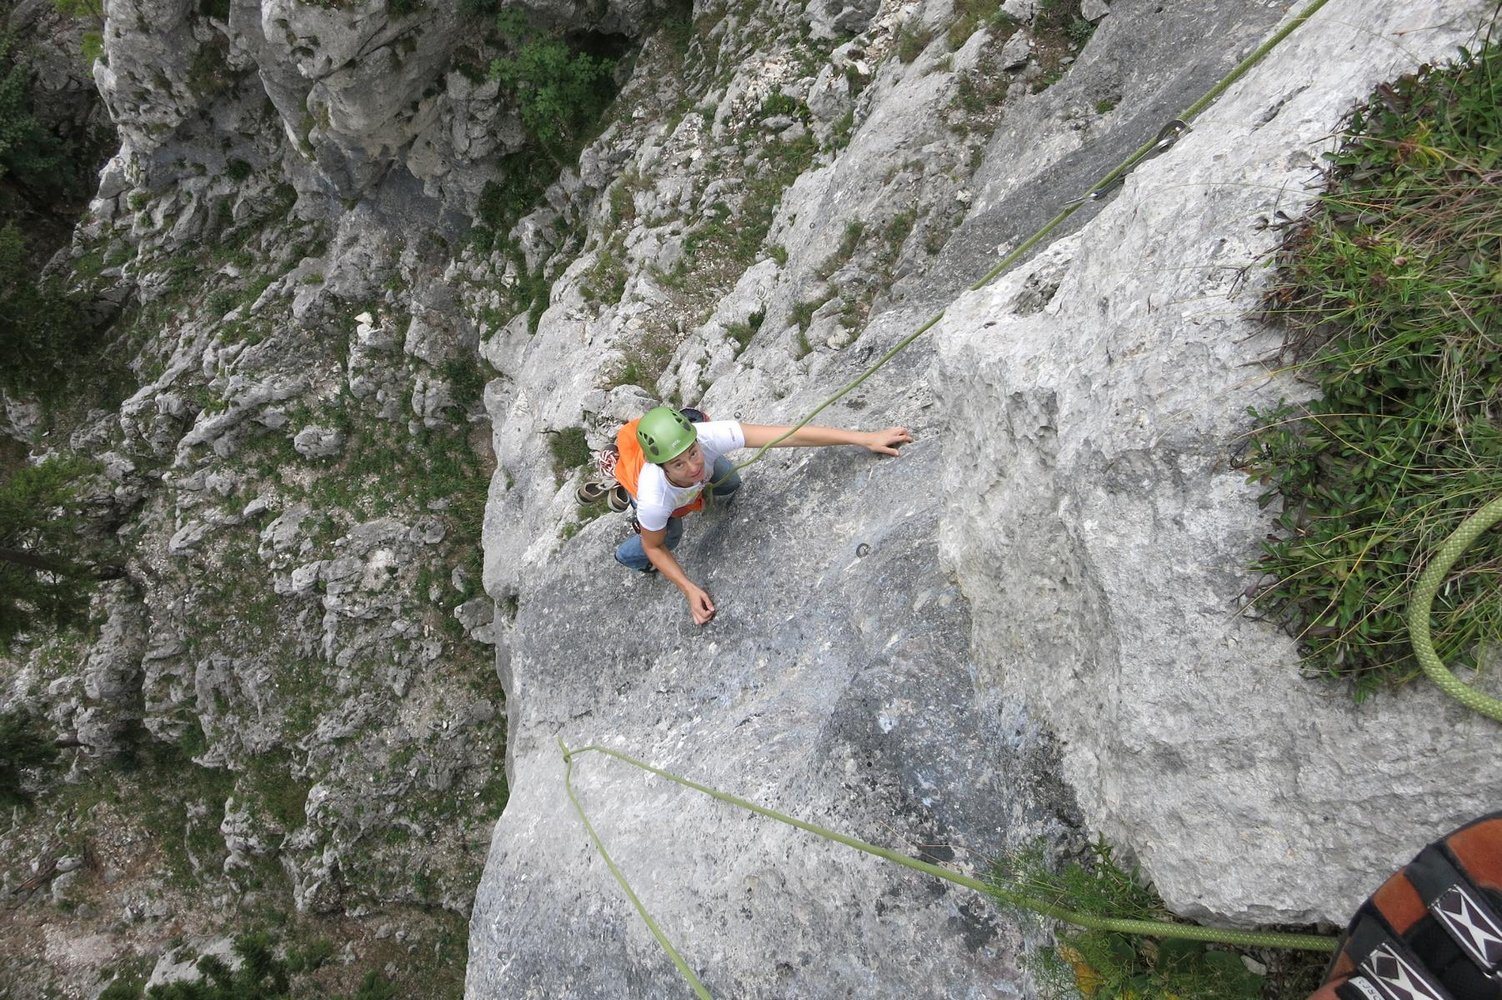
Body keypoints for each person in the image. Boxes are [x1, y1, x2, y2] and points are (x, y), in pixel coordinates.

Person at [614, 406, 912, 625]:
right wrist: (688, 588)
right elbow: (655, 547)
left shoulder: (707, 437)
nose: (692, 467)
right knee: (670, 536)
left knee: (730, 482)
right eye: (678, 464)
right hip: (654, 501)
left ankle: (696, 492)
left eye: (693, 453)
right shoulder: (654, 498)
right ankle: (626, 557)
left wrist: (864, 439)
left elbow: (788, 436)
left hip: (685, 484)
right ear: (662, 467)